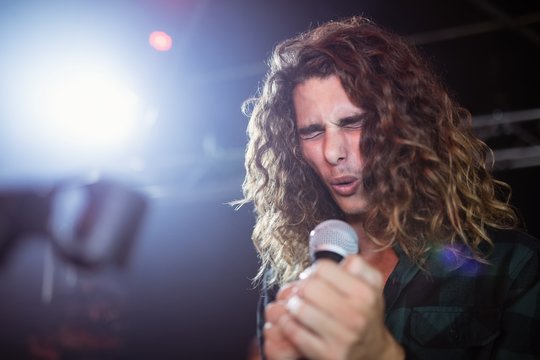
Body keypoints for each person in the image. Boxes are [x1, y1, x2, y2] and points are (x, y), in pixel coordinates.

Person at [235, 16, 540, 359]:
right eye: (312, 131)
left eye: (353, 123)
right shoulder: (287, 278)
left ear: (402, 126)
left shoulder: (511, 265)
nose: (332, 152)